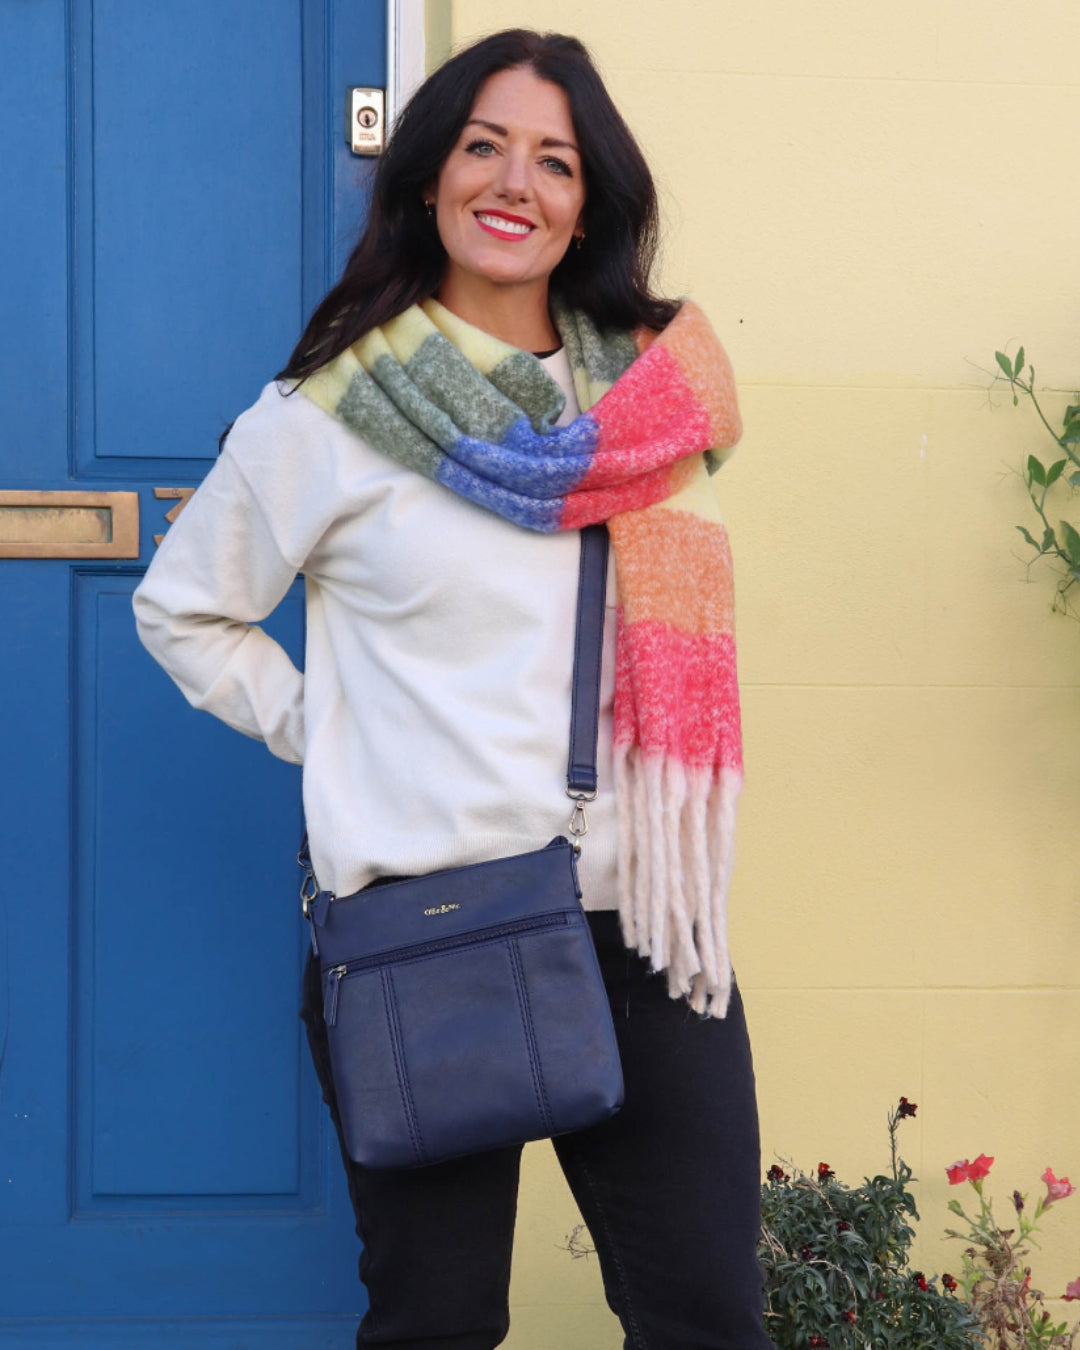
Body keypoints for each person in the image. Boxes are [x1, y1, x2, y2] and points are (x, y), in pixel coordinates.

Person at [133, 27, 774, 1350]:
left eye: (554, 158)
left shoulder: (655, 399)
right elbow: (183, 609)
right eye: (484, 144)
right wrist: (329, 727)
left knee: (707, 1316)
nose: (515, 181)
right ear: (428, 175)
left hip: (645, 926)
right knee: (435, 1323)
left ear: (589, 197)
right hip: (427, 925)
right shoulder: (322, 416)